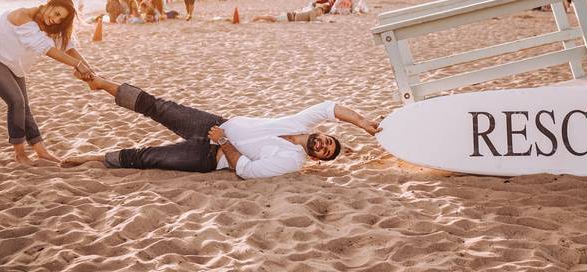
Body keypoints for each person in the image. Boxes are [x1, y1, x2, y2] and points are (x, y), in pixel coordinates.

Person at [62, 75, 380, 178]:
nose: (322, 146)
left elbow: (247, 171)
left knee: (148, 158)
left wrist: (222, 142)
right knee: (157, 107)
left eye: (324, 153)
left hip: (210, 157)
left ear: (316, 159)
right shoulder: (301, 122)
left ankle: (95, 158)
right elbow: (330, 107)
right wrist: (364, 122)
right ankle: (101, 84)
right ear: (322, 133)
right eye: (327, 141)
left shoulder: (291, 161)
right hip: (214, 123)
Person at [0, 0, 96, 165]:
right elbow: (45, 48)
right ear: (48, 4)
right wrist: (77, 65)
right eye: (56, 12)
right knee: (16, 101)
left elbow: (68, 47)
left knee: (24, 106)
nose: (55, 19)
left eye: (60, 18)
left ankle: (41, 151)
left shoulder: (48, 25)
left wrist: (88, 71)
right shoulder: (22, 16)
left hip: (12, 62)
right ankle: (20, 154)